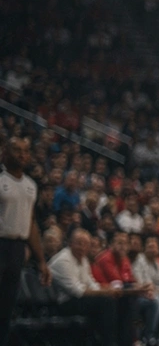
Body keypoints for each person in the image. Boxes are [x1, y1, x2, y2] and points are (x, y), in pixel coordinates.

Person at [47, 229, 136, 346]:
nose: (82, 247)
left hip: (80, 300)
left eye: (85, 244)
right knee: (106, 301)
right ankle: (108, 343)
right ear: (70, 243)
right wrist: (106, 292)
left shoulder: (83, 259)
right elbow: (78, 291)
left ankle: (126, 342)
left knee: (123, 299)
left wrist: (109, 291)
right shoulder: (63, 260)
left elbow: (92, 283)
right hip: (64, 303)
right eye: (79, 243)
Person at [0, 137, 49, 346]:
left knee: (6, 307)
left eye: (25, 151)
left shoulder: (31, 185)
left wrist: (41, 261)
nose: (21, 154)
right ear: (4, 152)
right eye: (16, 150)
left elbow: (31, 224)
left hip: (18, 249)